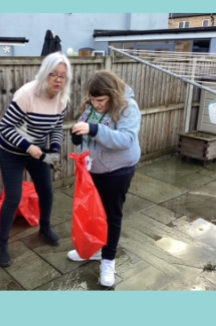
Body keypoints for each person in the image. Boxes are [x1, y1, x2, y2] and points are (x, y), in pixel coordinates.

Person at [0, 52, 71, 267]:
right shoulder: (26, 94)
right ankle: (1, 245)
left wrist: (53, 151)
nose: (58, 80)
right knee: (13, 197)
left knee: (46, 190)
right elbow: (5, 128)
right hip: (11, 152)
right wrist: (29, 147)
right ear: (45, 73)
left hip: (38, 150)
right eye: (53, 74)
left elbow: (56, 127)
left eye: (62, 76)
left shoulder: (62, 98)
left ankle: (45, 228)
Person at [67, 70, 140, 288]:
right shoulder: (91, 107)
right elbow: (87, 132)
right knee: (91, 213)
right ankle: (94, 250)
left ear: (113, 94)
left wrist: (94, 129)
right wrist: (77, 136)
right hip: (92, 172)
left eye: (101, 100)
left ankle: (108, 260)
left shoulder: (128, 108)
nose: (96, 104)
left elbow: (126, 139)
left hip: (118, 171)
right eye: (92, 99)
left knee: (111, 216)